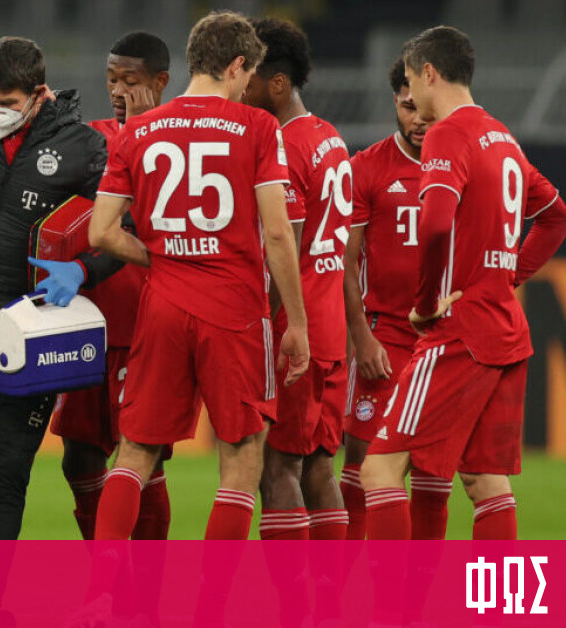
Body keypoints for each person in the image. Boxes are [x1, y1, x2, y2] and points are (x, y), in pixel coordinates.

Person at [88, 10, 310, 542]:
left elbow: (102, 232)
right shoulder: (258, 127)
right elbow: (278, 234)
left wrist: (162, 258)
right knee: (242, 456)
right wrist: (298, 324)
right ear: (237, 65)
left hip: (162, 307)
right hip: (234, 310)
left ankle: (102, 582)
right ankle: (212, 591)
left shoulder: (140, 129)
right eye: (247, 74)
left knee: (134, 451)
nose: (246, 86)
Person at [361, 25, 566, 540]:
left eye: (411, 80)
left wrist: (426, 302)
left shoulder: (448, 134)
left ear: (429, 72)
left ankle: (391, 592)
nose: (410, 95)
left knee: (380, 469)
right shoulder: (501, 137)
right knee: (485, 482)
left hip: (458, 334)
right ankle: (499, 593)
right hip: (505, 331)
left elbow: (435, 224)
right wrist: (506, 276)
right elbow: (557, 217)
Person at [0, 35, 112, 542]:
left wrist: (83, 271)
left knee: (5, 478)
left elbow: (127, 226)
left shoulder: (82, 148)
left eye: (7, 103)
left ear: (39, 94)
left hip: (31, 334)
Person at [49, 31, 171, 542]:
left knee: (139, 459)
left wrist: (141, 129)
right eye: (111, 79)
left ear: (160, 82)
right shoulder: (92, 138)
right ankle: (106, 568)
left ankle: (143, 580)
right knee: (78, 458)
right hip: (87, 320)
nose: (118, 90)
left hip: (144, 322)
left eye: (130, 80)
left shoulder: (175, 142)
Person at [243, 17, 351, 541]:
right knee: (319, 468)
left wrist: (257, 323)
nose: (241, 90)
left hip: (295, 329)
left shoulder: (284, 147)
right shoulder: (330, 137)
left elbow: (282, 245)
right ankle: (331, 589)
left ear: (278, 84)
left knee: (276, 468)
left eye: (250, 79)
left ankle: (292, 592)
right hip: (331, 327)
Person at [341, 59, 450, 540]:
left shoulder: (462, 162)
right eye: (408, 108)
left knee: (432, 474)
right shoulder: (366, 167)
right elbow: (346, 263)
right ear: (395, 102)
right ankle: (341, 579)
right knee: (360, 464)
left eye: (425, 109)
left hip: (446, 339)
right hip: (386, 336)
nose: (419, 120)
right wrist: (362, 339)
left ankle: (415, 582)